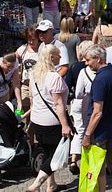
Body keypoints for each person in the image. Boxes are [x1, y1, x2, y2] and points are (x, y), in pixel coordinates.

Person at [27, 45, 73, 192]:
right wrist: (65, 125)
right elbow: (59, 104)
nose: (60, 57)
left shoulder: (34, 74)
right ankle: (35, 185)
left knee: (47, 152)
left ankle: (51, 185)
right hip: (52, 122)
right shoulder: (54, 77)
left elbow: (32, 97)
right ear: (52, 57)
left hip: (37, 120)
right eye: (58, 55)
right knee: (54, 156)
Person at [82, 45, 112, 192]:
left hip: (100, 132)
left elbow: (97, 112)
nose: (86, 63)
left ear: (98, 59)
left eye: (88, 60)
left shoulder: (99, 80)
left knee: (99, 168)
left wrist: (87, 135)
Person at [69, 41, 95, 175]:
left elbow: (76, 92)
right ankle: (88, 158)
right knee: (90, 130)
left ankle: (73, 160)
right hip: (90, 102)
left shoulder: (74, 67)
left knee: (78, 131)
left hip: (77, 103)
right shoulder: (92, 69)